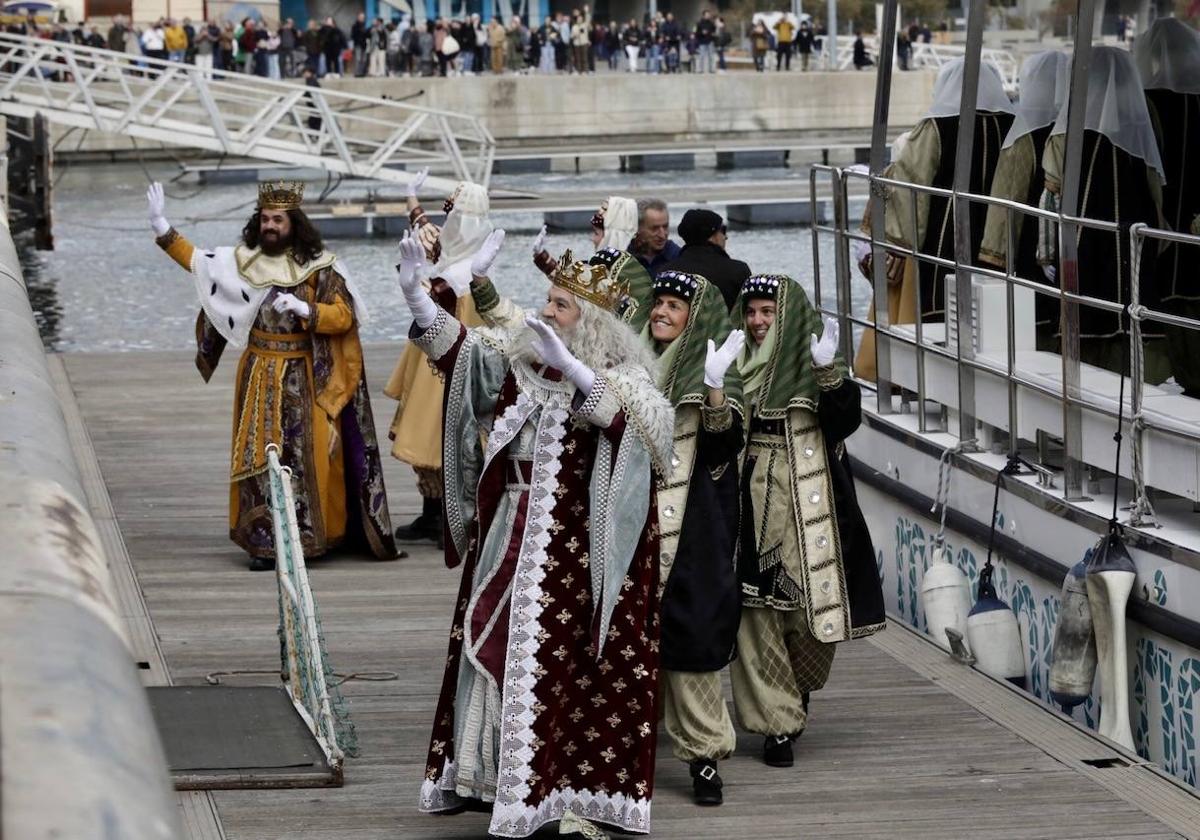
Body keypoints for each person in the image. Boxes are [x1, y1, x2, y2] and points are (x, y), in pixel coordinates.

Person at [403, 231, 674, 838]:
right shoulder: (524, 362)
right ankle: (492, 781)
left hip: (578, 553)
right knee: (494, 645)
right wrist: (417, 296)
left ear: (593, 324)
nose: (546, 314)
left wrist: (577, 370)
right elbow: (464, 355)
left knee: (564, 669)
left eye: (561, 306)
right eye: (547, 301)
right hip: (510, 531)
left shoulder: (626, 376)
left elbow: (645, 438)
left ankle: (565, 792)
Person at [145, 181, 397, 568]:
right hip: (259, 370)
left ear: (294, 223)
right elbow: (199, 263)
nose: (270, 226)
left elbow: (344, 315)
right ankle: (265, 543)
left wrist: (306, 309)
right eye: (265, 219)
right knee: (259, 458)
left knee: (309, 455)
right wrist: (163, 228)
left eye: (278, 220)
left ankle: (312, 538)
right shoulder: (242, 261)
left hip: (305, 372)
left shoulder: (320, 267)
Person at [732, 274, 885, 768]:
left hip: (811, 503)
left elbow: (845, 422)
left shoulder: (817, 362)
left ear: (788, 315)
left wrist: (827, 374)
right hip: (750, 504)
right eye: (751, 312)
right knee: (757, 613)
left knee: (810, 616)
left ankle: (797, 693)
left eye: (767, 313)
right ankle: (776, 725)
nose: (757, 322)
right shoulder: (732, 364)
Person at [627, 267, 745, 805]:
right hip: (630, 515)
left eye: (675, 306)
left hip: (693, 522)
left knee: (691, 634)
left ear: (695, 318)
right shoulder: (629, 358)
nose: (661, 312)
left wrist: (715, 388)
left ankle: (704, 758)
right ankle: (625, 749)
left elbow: (725, 448)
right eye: (659, 302)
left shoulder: (713, 369)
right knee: (628, 633)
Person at [854, 59, 1015, 379]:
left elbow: (908, 184)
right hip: (999, 245)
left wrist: (889, 241)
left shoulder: (937, 127)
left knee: (934, 316)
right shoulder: (1012, 126)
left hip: (940, 248)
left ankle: (918, 379)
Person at [1041, 47, 1168, 380]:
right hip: (1135, 230)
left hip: (1085, 236)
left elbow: (1052, 185)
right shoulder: (1144, 114)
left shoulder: (1071, 118)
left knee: (1088, 311)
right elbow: (1156, 179)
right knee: (1133, 305)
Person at [384, 170, 491, 548]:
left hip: (448, 362)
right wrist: (411, 196)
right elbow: (426, 229)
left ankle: (451, 518)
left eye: (455, 214)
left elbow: (430, 299)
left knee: (441, 437)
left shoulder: (463, 272)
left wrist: (410, 277)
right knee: (431, 438)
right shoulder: (459, 253)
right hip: (433, 355)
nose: (448, 222)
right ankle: (433, 513)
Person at [978, 51, 1070, 350]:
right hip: (1079, 248)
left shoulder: (1023, 140)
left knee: (1041, 330)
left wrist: (994, 260)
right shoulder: (1081, 132)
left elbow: (1006, 204)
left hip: (1035, 254)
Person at [1136, 19, 1200, 395]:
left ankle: (1182, 372)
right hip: (1193, 210)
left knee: (1170, 293)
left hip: (1164, 214)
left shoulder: (1146, 101)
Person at [660, 208, 750, 310]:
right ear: (712, 236)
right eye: (723, 230)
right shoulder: (738, 271)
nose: (726, 237)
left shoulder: (666, 272)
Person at [630, 198, 682, 275]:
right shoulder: (624, 259)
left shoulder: (678, 257)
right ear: (637, 227)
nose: (662, 235)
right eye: (654, 229)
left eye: (665, 227)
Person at [350, 11, 368, 76]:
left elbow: (366, 35)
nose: (362, 18)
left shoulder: (364, 26)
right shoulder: (355, 26)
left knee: (363, 60)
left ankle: (362, 72)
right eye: (361, 17)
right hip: (358, 45)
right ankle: (357, 72)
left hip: (364, 45)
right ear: (358, 17)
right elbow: (352, 36)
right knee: (358, 59)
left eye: (363, 17)